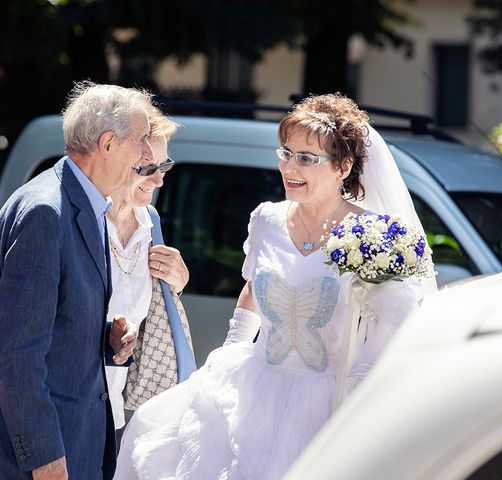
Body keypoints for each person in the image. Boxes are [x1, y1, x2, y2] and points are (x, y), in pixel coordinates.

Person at [114, 93, 436, 480]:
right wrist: (229, 353)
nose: (288, 166)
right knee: (156, 429)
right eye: (286, 153)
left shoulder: (372, 234)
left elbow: (395, 322)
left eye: (306, 158)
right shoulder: (266, 219)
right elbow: (253, 288)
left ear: (344, 166)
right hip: (256, 385)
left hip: (329, 399)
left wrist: (359, 392)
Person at [0, 82, 151, 480]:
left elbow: (53, 321)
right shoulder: (45, 211)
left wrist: (107, 338)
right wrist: (44, 457)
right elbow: (16, 352)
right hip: (45, 457)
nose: (146, 154)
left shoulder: (88, 201)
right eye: (141, 140)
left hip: (78, 441)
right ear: (107, 143)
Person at [105, 105, 190, 442]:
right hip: (74, 406)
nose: (160, 179)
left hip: (122, 410)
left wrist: (177, 284)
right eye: (148, 168)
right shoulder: (88, 221)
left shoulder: (149, 221)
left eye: (164, 165)